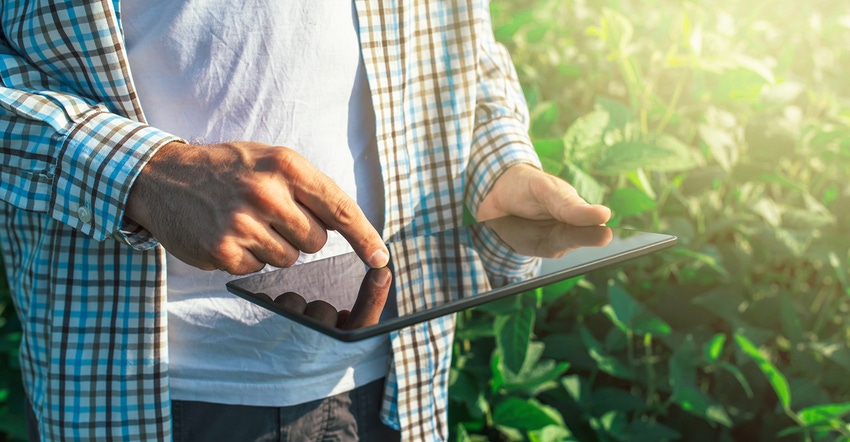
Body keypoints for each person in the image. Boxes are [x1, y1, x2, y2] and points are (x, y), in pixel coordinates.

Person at [0, 0, 611, 441]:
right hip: (153, 394)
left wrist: (497, 164)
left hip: (396, 384)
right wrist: (141, 173)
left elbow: (461, 48)